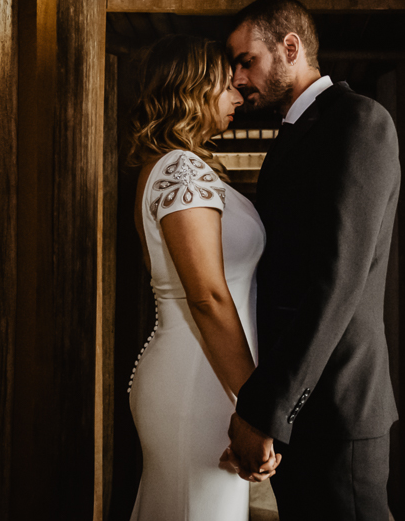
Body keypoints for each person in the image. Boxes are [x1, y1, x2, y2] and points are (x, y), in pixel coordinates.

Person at [222, 0, 402, 520]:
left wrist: (264, 412)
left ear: (290, 48)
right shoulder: (290, 137)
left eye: (246, 60)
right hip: (298, 411)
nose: (237, 77)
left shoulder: (359, 121)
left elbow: (338, 281)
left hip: (339, 409)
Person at [125, 34, 279, 521]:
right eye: (226, 87)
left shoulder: (185, 168)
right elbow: (209, 296)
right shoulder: (179, 168)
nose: (239, 97)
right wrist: (256, 407)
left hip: (208, 374)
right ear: (192, 89)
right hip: (198, 377)